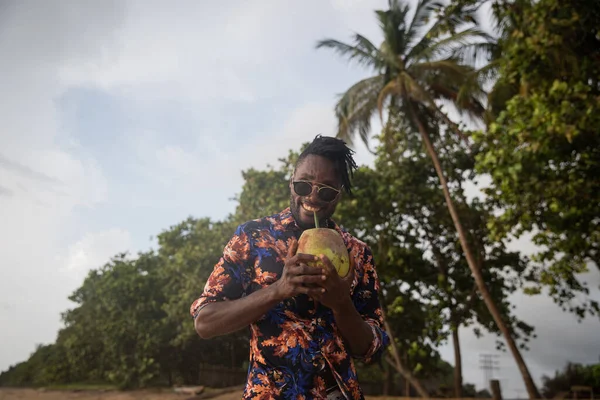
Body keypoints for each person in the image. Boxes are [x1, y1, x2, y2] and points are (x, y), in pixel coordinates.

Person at [190, 135, 389, 400]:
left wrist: (341, 304)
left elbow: (371, 348)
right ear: (291, 179)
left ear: (339, 193)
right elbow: (205, 322)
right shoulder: (253, 237)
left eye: (327, 190)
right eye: (303, 185)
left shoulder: (358, 253)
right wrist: (278, 289)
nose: (313, 197)